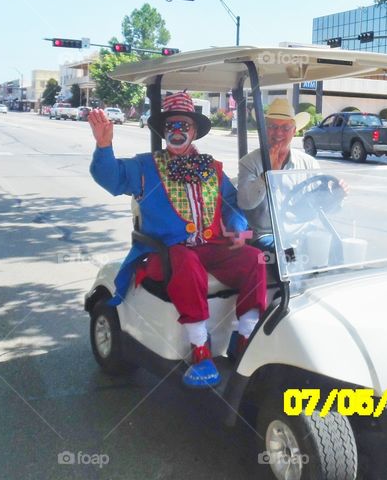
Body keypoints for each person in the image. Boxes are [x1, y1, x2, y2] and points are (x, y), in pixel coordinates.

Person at [89, 91, 265, 389]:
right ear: (163, 131)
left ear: (194, 131)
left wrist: (237, 229)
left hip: (211, 247)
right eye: (171, 126)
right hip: (165, 253)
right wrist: (104, 146)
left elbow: (232, 204)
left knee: (255, 259)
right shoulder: (145, 167)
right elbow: (110, 177)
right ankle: (200, 349)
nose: (178, 131)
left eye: (184, 125)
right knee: (185, 259)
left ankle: (245, 336)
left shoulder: (212, 168)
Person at [237, 98, 318, 244]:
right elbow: (245, 202)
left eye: (285, 128)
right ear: (264, 130)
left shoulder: (309, 163)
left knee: (333, 249)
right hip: (267, 235)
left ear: (294, 131)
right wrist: (267, 176)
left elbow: (320, 202)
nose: (278, 133)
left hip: (301, 234)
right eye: (272, 126)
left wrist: (337, 193)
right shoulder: (249, 162)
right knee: (290, 256)